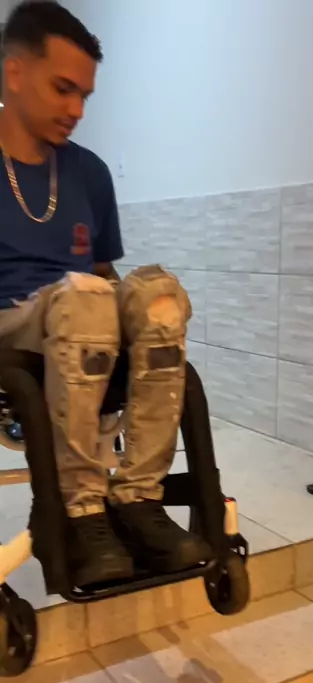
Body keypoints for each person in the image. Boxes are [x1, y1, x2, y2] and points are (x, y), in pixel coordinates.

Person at [0, 1, 210, 588]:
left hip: (79, 315)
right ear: (15, 72)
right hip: (9, 323)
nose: (76, 110)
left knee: (158, 296)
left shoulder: (88, 172)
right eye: (63, 88)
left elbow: (101, 270)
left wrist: (139, 322)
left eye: (85, 96)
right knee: (86, 299)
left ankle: (138, 500)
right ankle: (81, 510)